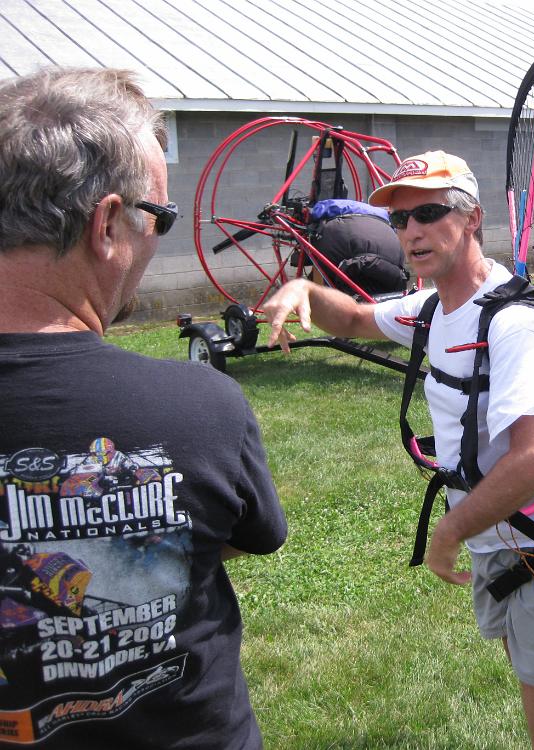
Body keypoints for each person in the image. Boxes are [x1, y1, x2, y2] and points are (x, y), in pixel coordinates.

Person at [262, 151, 534, 749]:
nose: (411, 232)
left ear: (471, 218)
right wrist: (302, 285)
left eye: (428, 213)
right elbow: (351, 318)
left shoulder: (514, 325)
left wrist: (450, 531)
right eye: (399, 221)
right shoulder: (432, 309)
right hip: (497, 536)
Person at [0, 68, 286, 749]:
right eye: (159, 216)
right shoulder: (201, 408)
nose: (159, 236)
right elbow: (243, 538)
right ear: (107, 223)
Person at [307, 198, 409, 295]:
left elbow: (320, 210)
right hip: (391, 255)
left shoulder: (343, 205)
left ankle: (319, 296)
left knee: (317, 251)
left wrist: (308, 214)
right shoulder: (385, 214)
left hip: (346, 241)